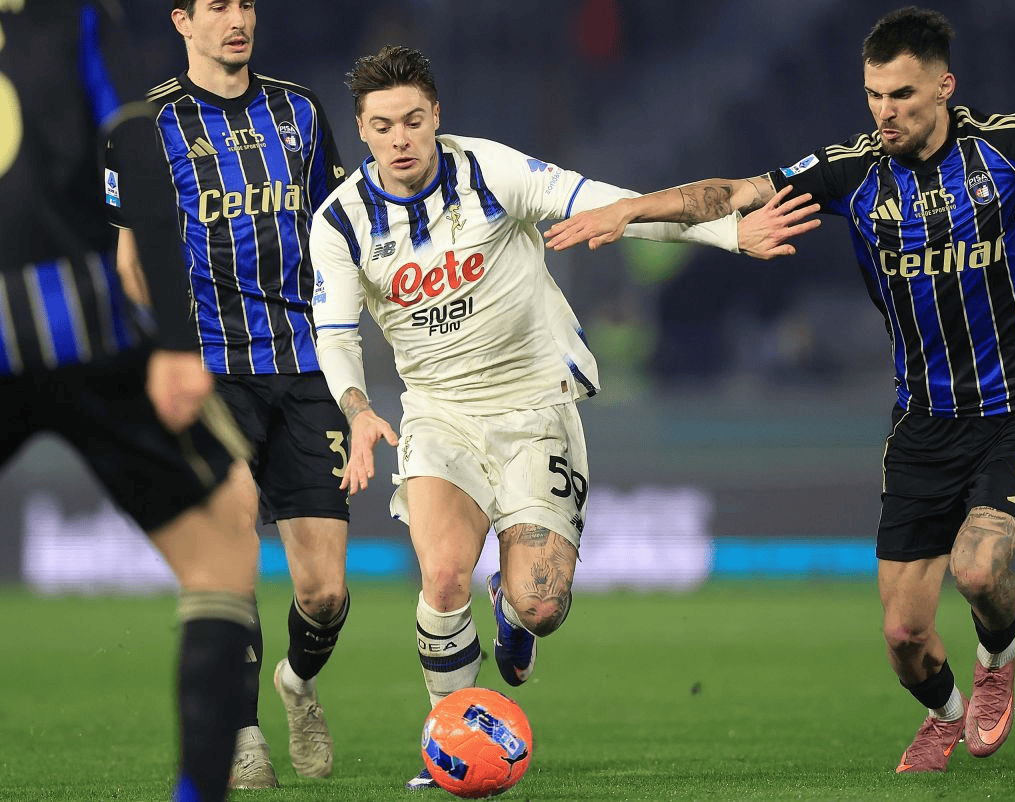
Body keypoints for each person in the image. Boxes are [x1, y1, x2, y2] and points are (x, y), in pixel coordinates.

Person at [544, 6, 1015, 774]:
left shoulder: (1007, 145)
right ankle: (944, 716)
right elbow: (737, 192)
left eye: (903, 94)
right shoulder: (852, 170)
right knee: (904, 639)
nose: (886, 111)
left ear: (944, 87)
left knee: (977, 568)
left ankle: (996, 660)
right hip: (924, 425)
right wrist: (631, 208)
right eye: (875, 94)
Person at [307, 45, 816, 790]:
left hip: (535, 403)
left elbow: (615, 208)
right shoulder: (340, 222)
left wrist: (727, 234)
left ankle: (512, 613)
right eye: (382, 127)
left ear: (436, 115)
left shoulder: (489, 171)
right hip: (440, 415)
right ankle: (449, 749)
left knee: (542, 604)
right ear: (361, 130)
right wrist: (356, 408)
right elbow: (336, 333)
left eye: (413, 120)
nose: (400, 139)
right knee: (441, 575)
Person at [1, 2, 259, 800]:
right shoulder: (70, 14)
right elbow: (135, 147)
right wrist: (179, 340)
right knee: (223, 538)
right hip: (81, 327)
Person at [111, 0, 352, 787]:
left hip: (305, 368)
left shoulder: (300, 112)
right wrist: (168, 351)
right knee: (233, 554)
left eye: (245, 3)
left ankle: (297, 682)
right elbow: (130, 261)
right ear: (182, 21)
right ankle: (245, 733)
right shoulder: (147, 125)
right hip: (211, 373)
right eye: (217, 5)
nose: (237, 18)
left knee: (324, 592)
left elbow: (339, 231)